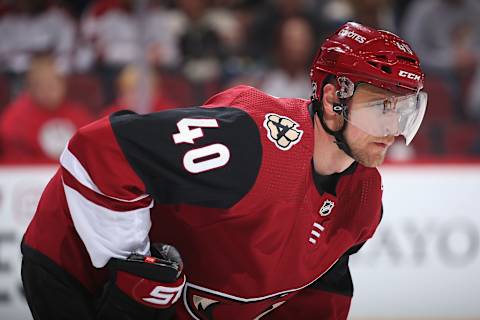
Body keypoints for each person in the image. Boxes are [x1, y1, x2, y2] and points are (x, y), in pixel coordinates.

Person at [20, 22, 427, 319]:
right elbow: (98, 151)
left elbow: (317, 293)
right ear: (334, 97)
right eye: (380, 108)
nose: (394, 131)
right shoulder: (249, 142)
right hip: (73, 269)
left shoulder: (364, 200)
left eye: (405, 110)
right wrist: (134, 262)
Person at [0, 54, 93, 163]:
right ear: (30, 88)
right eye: (41, 85)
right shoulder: (16, 117)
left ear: (63, 85)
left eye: (52, 85)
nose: (48, 91)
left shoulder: (78, 114)